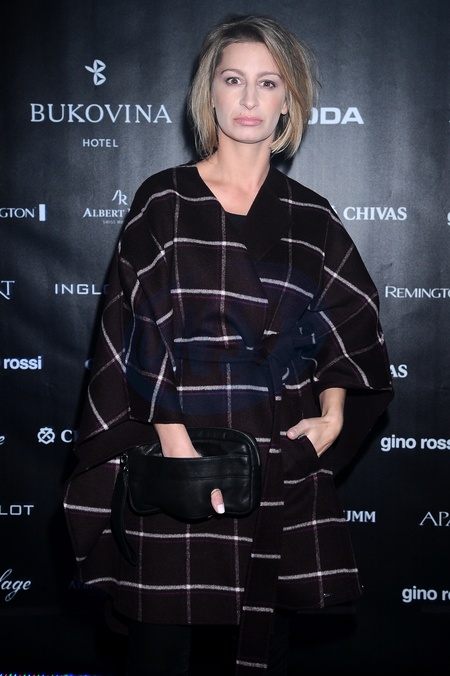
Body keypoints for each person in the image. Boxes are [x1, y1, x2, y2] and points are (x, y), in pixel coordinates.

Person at [64, 14, 393, 675]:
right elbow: (137, 332)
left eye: (268, 83)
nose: (249, 98)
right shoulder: (163, 200)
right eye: (233, 79)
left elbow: (350, 325)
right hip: (179, 450)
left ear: (288, 101)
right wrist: (180, 451)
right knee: (159, 651)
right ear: (208, 94)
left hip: (275, 458)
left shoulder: (313, 215)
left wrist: (332, 415)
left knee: (261, 650)